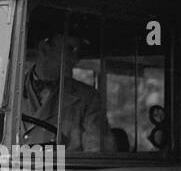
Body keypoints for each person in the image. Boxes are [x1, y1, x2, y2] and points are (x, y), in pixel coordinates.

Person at [21, 15, 113, 152]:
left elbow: (98, 152)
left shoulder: (88, 98)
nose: (75, 60)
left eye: (78, 52)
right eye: (69, 49)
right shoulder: (7, 93)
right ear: (44, 49)